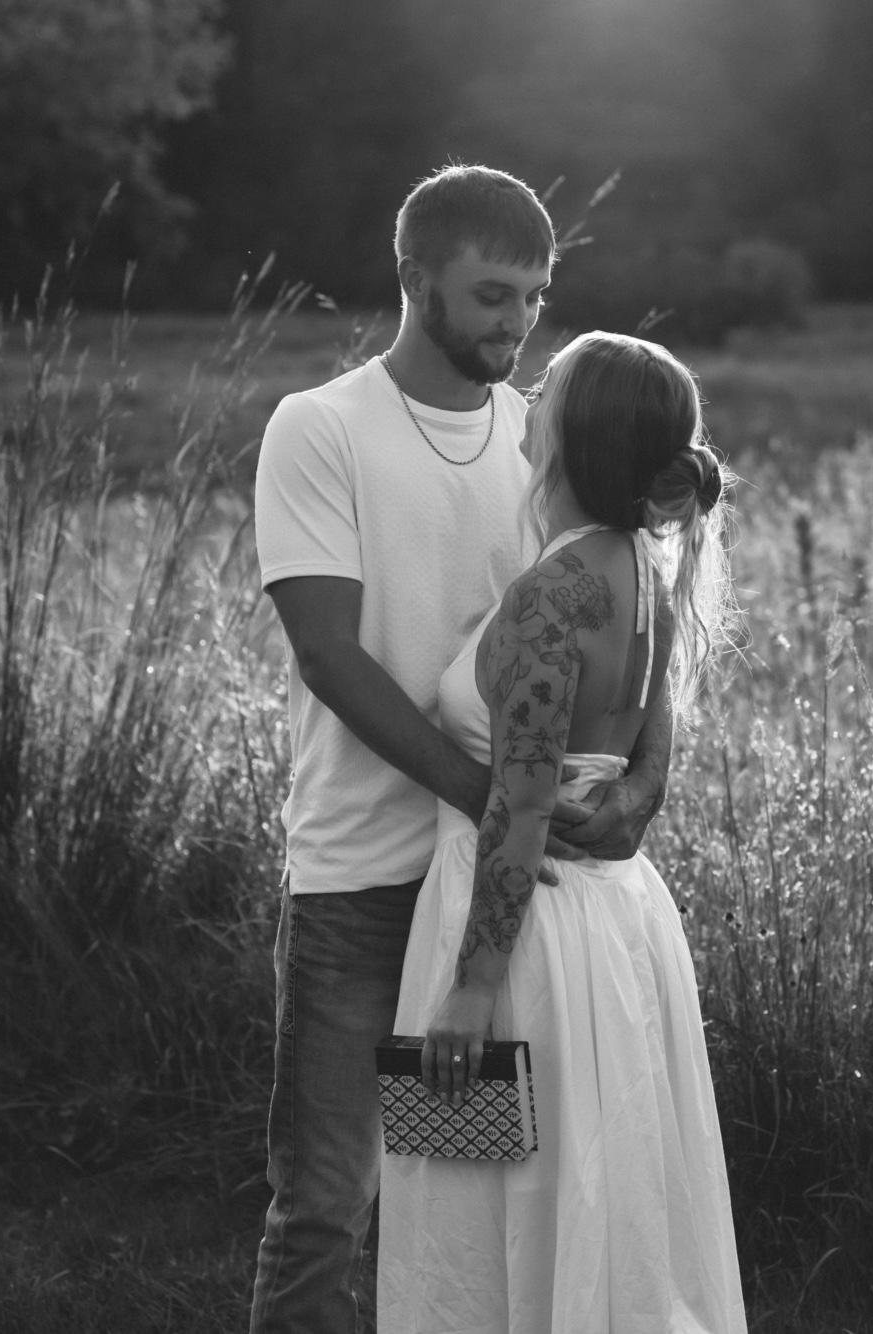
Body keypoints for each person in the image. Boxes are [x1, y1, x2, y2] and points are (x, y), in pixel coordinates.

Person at [250, 168, 670, 1334]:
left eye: (534, 297)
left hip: (484, 897)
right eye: (492, 295)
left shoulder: (542, 439)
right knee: (327, 1199)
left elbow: (631, 605)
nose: (517, 323)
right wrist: (493, 799)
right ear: (412, 276)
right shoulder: (320, 427)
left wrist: (642, 781)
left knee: (464, 1206)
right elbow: (329, 655)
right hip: (358, 879)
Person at [377, 332, 748, 1333]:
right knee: (585, 1196)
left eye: (547, 389)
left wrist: (470, 988)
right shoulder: (641, 565)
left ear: (576, 435)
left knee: (485, 1203)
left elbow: (524, 801)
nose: (529, 397)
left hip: (529, 938)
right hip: (611, 922)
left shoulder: (555, 594)